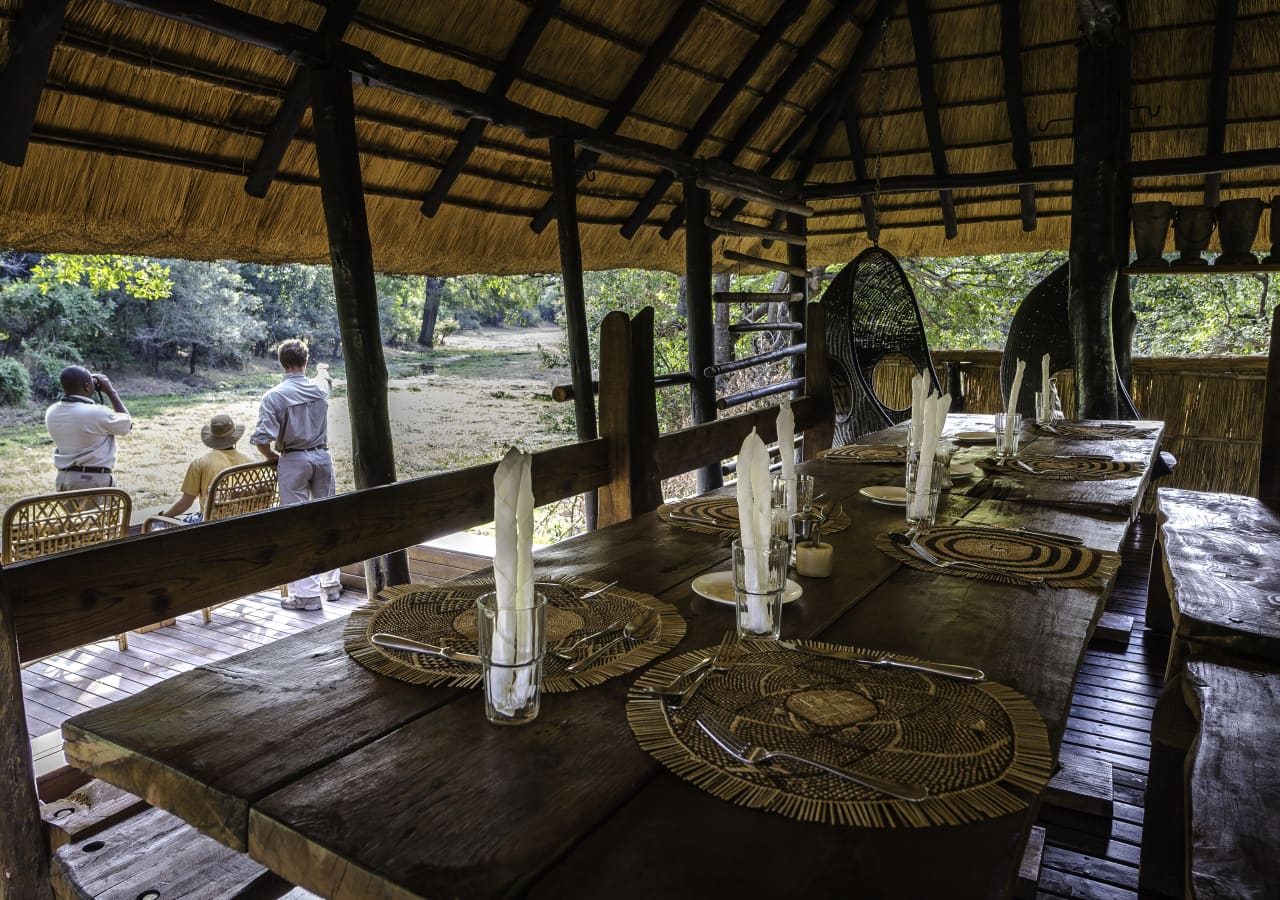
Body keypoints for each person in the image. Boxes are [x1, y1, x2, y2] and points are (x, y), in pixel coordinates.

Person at [251, 339, 341, 610]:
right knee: (327, 521)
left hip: (294, 459)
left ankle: (307, 594)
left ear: (281, 363)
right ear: (306, 361)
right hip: (322, 457)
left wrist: (272, 458)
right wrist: (323, 370)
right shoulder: (319, 389)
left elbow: (262, 438)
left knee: (297, 528)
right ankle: (332, 583)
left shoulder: (275, 396)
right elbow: (325, 379)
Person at [45, 366, 132, 492]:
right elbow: (127, 425)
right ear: (86, 386)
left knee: (75, 513)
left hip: (64, 479)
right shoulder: (96, 412)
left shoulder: (52, 411)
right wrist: (111, 392)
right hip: (92, 480)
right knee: (99, 513)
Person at [160, 414, 255, 523]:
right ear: (235, 438)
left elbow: (184, 504)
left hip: (210, 523)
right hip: (244, 519)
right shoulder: (250, 461)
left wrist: (163, 517)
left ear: (212, 439)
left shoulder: (200, 463)